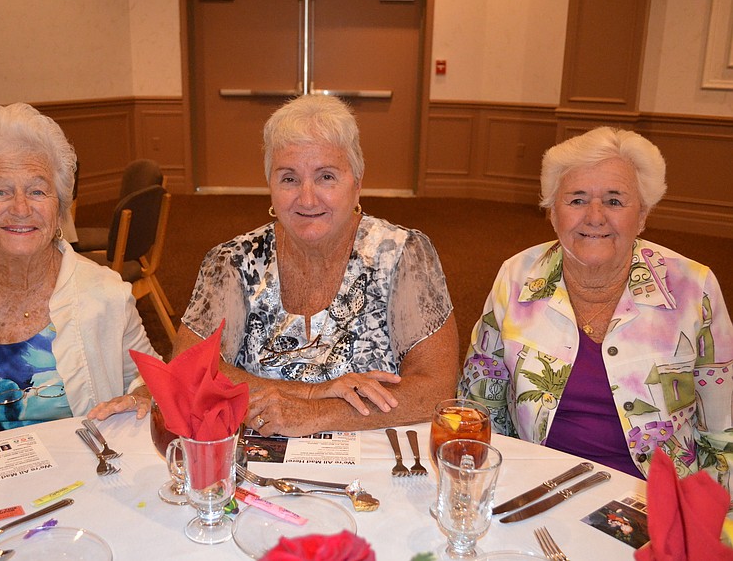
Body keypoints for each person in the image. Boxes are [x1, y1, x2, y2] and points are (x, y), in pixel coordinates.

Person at [460, 127, 733, 491]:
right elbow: (479, 405)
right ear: (552, 213)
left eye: (615, 201)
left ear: (642, 216)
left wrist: (714, 525)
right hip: (538, 487)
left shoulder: (692, 287)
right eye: (576, 199)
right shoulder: (516, 277)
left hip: (656, 500)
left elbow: (724, 432)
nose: (594, 216)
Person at [174, 94, 459, 436]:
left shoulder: (402, 255)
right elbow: (189, 370)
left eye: (326, 177)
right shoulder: (232, 262)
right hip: (252, 461)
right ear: (270, 186)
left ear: (357, 183)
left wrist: (318, 414)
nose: (307, 199)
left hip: (373, 463)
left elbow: (436, 390)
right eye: (289, 179)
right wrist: (311, 392)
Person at [0, 103, 158, 432]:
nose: (21, 208)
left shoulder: (107, 294)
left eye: (37, 190)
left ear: (59, 208)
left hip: (78, 477)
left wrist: (144, 396)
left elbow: (153, 380)